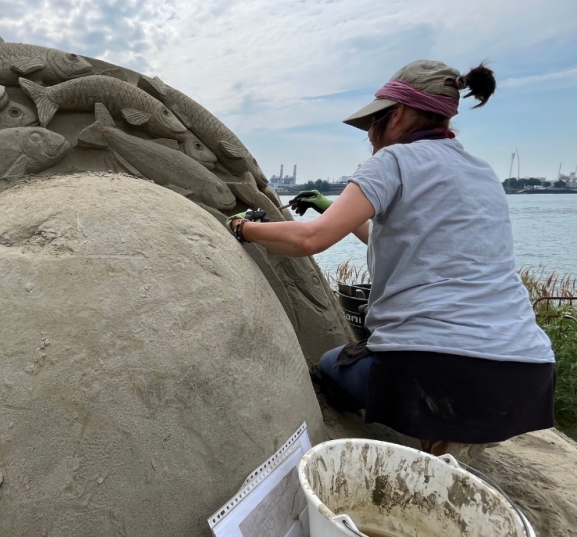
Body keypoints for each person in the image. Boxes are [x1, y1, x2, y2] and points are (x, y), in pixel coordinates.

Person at [226, 60, 555, 456]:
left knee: (333, 367)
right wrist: (336, 210)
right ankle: (448, 441)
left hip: (440, 373)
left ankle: (430, 437)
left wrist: (243, 228)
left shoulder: (393, 161)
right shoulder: (481, 172)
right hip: (527, 376)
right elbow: (407, 242)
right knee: (443, 386)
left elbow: (310, 240)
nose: (371, 135)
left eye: (373, 123)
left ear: (397, 114)